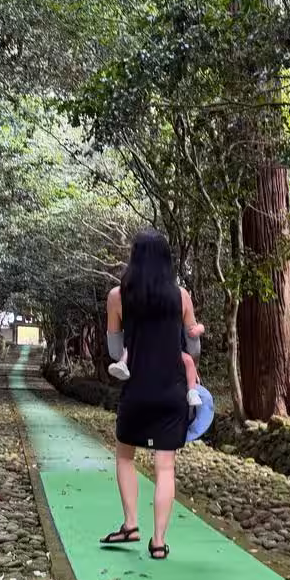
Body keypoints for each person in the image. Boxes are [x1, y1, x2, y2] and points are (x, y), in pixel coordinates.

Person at [101, 228, 190, 559]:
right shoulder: (181, 297)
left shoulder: (117, 296)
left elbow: (114, 351)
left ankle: (130, 524)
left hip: (136, 391)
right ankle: (159, 542)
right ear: (167, 260)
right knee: (165, 468)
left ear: (134, 258)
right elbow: (193, 347)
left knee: (125, 456)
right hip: (172, 392)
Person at [108, 299, 205, 408]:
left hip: (173, 350)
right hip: (152, 351)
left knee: (188, 361)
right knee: (132, 345)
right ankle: (122, 364)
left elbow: (200, 327)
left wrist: (197, 330)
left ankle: (192, 391)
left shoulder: (181, 316)